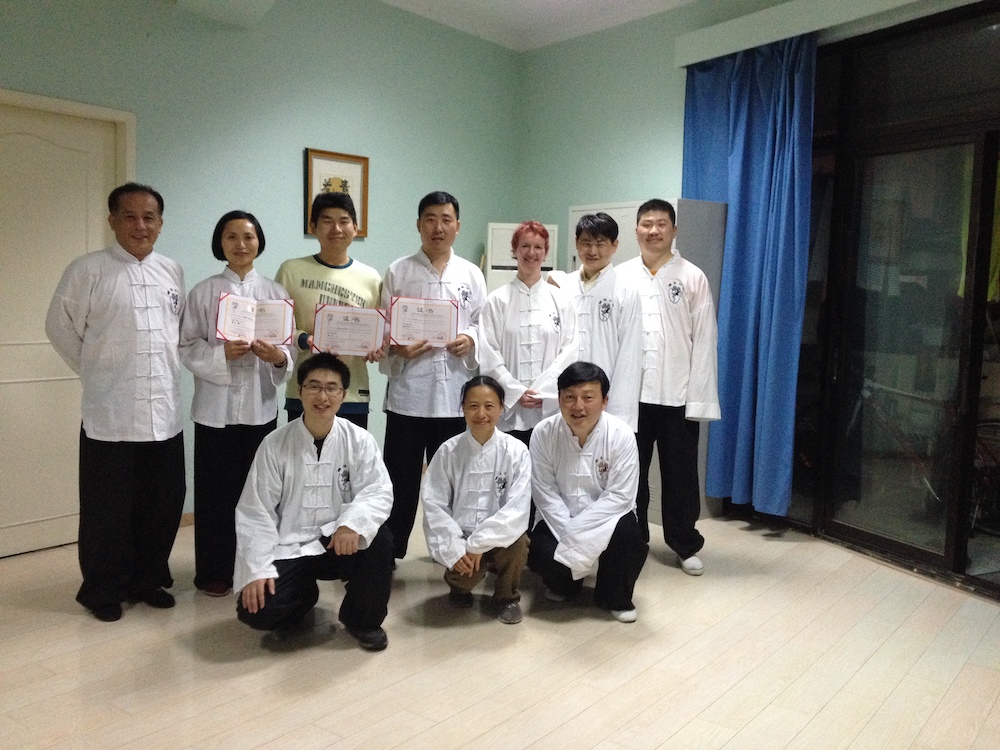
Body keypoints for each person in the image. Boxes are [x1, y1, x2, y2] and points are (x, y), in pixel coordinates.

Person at [45, 182, 185, 622]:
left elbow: (176, 335)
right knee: (108, 509)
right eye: (130, 216)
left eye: (149, 218)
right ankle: (102, 588)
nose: (140, 225)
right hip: (111, 412)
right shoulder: (87, 270)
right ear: (112, 221)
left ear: (161, 224)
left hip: (164, 412)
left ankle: (147, 579)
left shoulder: (172, 271)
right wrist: (95, 369)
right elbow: (59, 328)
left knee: (162, 503)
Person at [234, 353, 394, 651]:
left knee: (380, 539)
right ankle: (302, 596)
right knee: (256, 612)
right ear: (299, 391)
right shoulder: (274, 444)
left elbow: (378, 491)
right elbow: (256, 511)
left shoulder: (359, 440)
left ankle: (362, 620)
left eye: (332, 388)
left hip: (339, 542)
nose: (323, 396)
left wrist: (350, 524)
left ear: (343, 394)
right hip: (292, 546)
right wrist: (257, 569)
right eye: (314, 386)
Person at [179, 210, 292, 597]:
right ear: (220, 244)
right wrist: (221, 354)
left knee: (260, 493)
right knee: (214, 494)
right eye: (231, 237)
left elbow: (288, 352)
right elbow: (186, 345)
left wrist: (275, 357)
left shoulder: (276, 294)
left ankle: (256, 566)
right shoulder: (204, 292)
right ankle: (214, 570)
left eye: (249, 236)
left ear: (259, 241)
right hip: (215, 410)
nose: (241, 244)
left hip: (261, 408)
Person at [380, 191, 487, 561]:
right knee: (401, 480)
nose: (438, 227)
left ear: (457, 225)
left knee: (455, 481)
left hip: (455, 396)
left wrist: (469, 339)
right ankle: (390, 554)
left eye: (446, 219)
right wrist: (397, 347)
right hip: (409, 394)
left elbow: (482, 323)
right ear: (418, 224)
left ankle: (454, 554)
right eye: (430, 218)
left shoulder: (471, 274)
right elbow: (383, 330)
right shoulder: (398, 271)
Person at [618, 199, 720, 575]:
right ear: (636, 230)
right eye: (646, 224)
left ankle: (684, 543)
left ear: (674, 231)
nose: (654, 230)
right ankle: (635, 538)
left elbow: (705, 340)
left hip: (677, 397)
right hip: (632, 398)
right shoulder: (621, 276)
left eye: (661, 224)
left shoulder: (692, 276)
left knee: (680, 476)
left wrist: (700, 398)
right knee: (632, 475)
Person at [527, 362, 648, 623]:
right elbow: (544, 493)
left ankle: (614, 596)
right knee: (540, 551)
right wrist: (570, 530)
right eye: (569, 397)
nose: (578, 406)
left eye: (588, 397)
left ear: (604, 401)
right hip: (560, 519)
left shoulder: (621, 435)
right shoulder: (543, 433)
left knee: (629, 537)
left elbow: (620, 497)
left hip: (607, 517)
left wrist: (577, 532)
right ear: (559, 399)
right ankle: (565, 585)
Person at [421, 376, 531, 625]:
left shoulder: (516, 452)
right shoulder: (449, 451)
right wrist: (456, 545)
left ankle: (507, 597)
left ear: (501, 408)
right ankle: (459, 587)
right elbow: (434, 504)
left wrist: (480, 544)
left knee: (519, 541)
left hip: (500, 537)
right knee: (464, 576)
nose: (481, 413)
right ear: (463, 408)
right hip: (461, 537)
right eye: (473, 406)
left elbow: (517, 509)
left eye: (489, 406)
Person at [275, 192, 383, 428]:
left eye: (344, 221)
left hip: (352, 391)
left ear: (355, 227)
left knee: (349, 464)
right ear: (313, 227)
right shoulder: (291, 270)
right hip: (303, 391)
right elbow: (277, 329)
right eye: (327, 221)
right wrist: (305, 339)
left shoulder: (372, 278)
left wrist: (375, 348)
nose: (336, 228)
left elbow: (379, 332)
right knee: (299, 462)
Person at [478, 221, 577, 446]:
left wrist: (544, 392)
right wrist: (515, 392)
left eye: (538, 247)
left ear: (546, 252)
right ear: (514, 251)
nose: (531, 253)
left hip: (549, 409)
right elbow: (488, 353)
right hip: (509, 411)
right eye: (525, 246)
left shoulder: (561, 300)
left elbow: (570, 351)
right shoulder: (497, 301)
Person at [559, 213, 641, 431]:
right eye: (586, 243)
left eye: (600, 244)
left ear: (614, 246)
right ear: (576, 244)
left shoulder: (626, 290)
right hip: (567, 396)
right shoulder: (564, 286)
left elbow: (629, 356)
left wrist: (619, 412)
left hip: (606, 399)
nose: (592, 251)